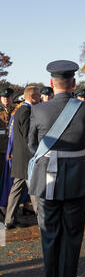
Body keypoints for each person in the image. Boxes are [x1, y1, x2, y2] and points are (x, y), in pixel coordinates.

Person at [28, 61, 85, 277]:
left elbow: (33, 145)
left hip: (46, 179)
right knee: (71, 240)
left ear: (51, 84)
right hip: (76, 177)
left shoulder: (39, 110)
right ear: (74, 84)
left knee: (49, 238)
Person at [4, 86, 40, 228]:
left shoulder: (21, 110)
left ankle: (9, 220)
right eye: (38, 96)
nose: (41, 98)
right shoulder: (26, 111)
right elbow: (28, 137)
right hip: (27, 159)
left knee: (16, 190)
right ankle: (42, 219)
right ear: (32, 97)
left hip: (21, 158)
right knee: (34, 190)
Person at [0, 87, 15, 182]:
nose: (6, 99)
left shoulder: (17, 111)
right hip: (0, 149)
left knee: (10, 176)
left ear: (11, 98)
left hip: (12, 150)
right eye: (3, 97)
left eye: (8, 97)